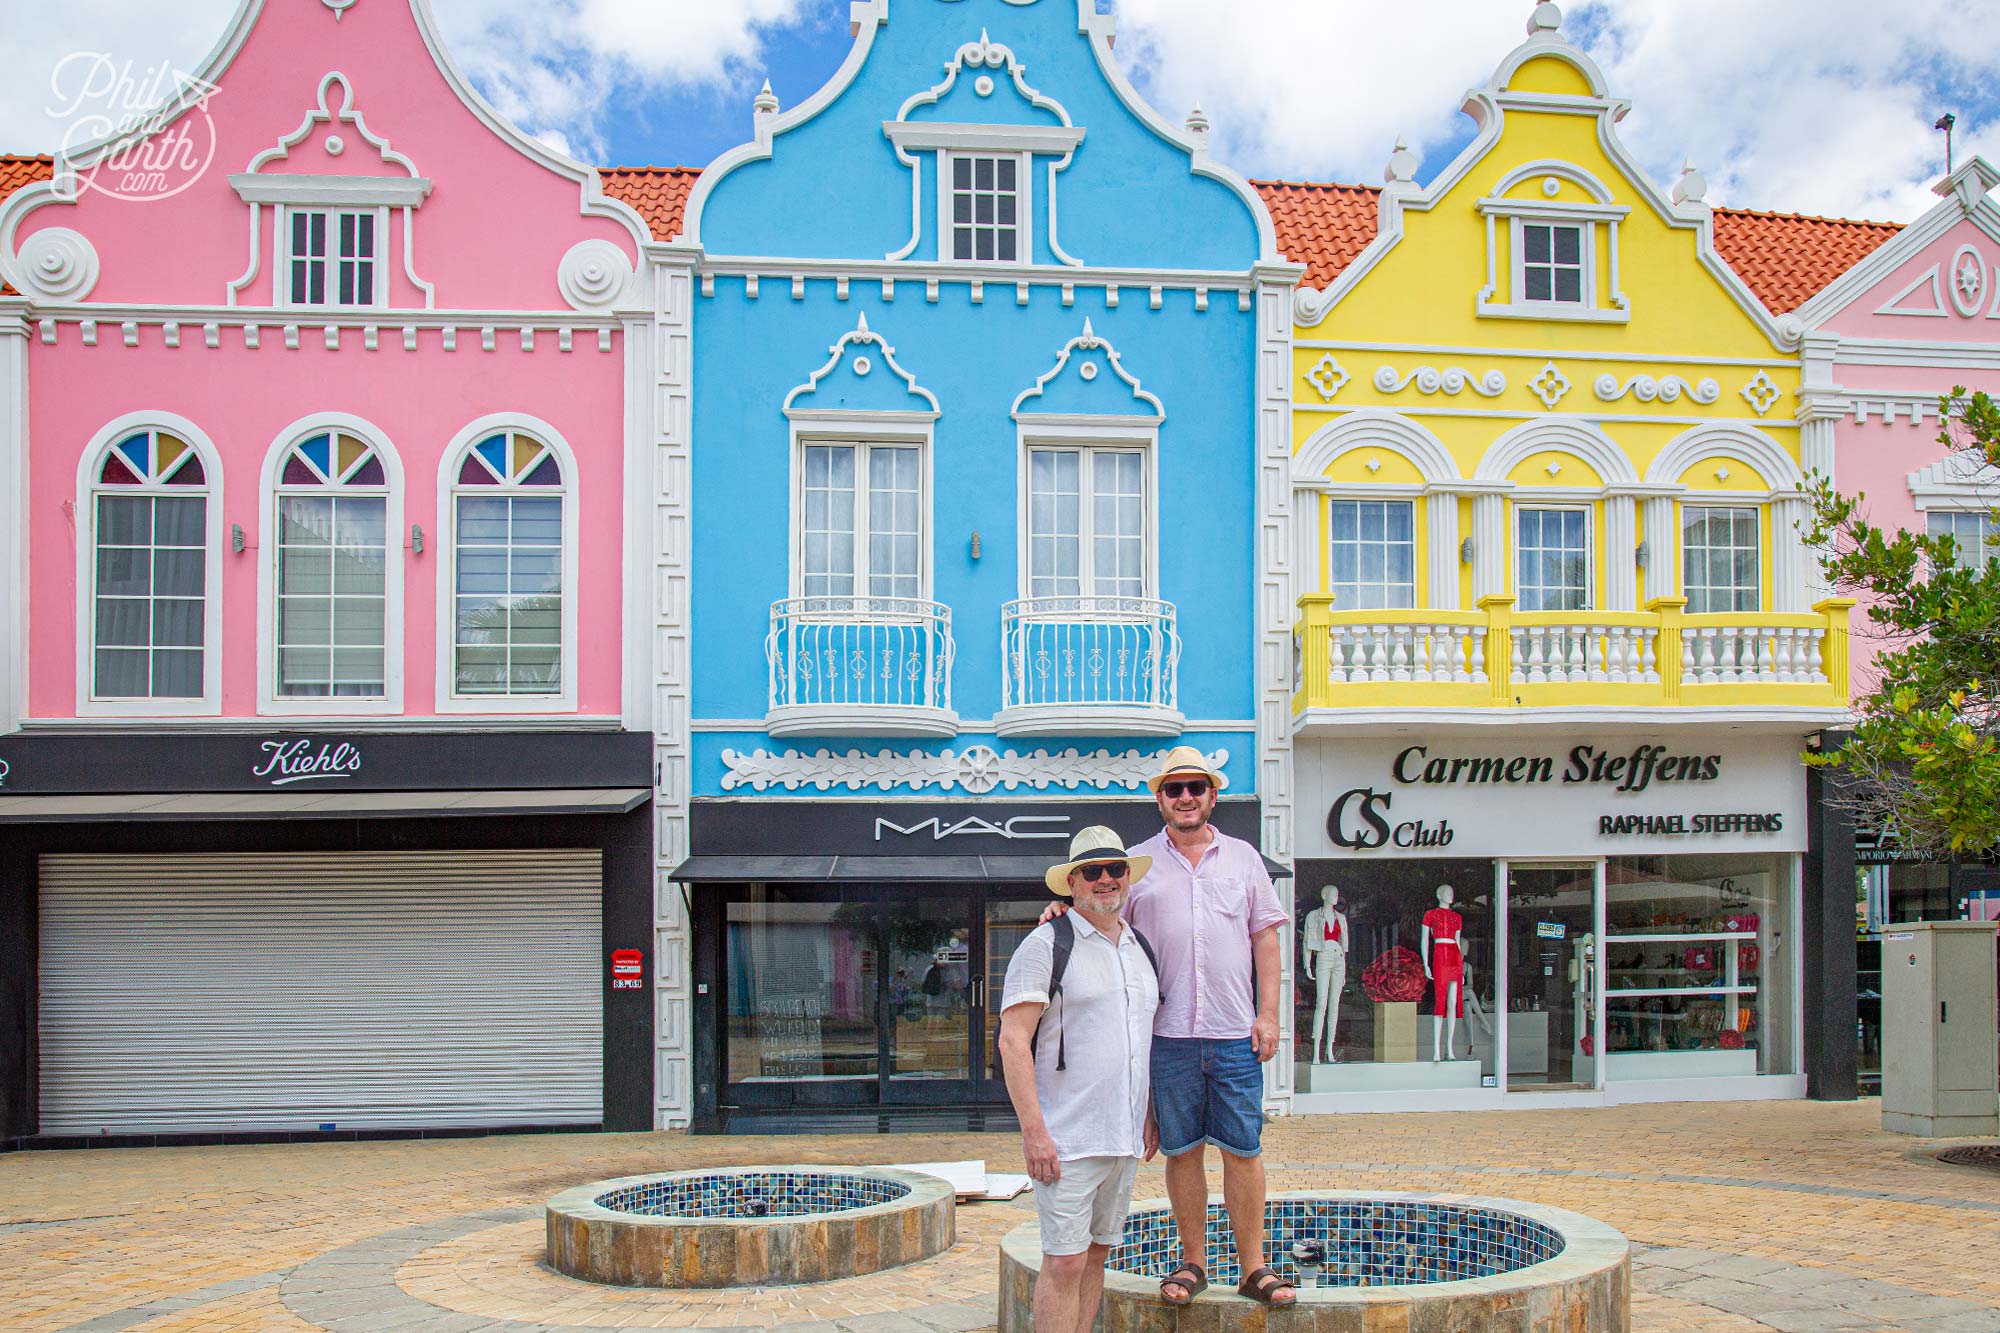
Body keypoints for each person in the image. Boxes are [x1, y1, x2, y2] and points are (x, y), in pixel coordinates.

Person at [1045, 747, 1292, 1306]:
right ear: (1160, 798)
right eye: (1174, 788)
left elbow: (1266, 939)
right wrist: (1060, 910)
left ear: (1212, 795)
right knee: (1182, 1151)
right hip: (1167, 1034)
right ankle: (1194, 1262)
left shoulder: (1245, 858)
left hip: (1234, 1032)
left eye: (1195, 787)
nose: (1185, 797)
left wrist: (1270, 1014)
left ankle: (1253, 1268)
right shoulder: (1134, 865)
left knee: (1244, 1150)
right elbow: (1099, 913)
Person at [998, 826, 1161, 1333]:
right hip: (1067, 1140)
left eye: (1116, 869)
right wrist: (1034, 1134)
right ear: (1073, 883)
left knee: (1096, 1257)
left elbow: (1140, 1041)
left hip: (1124, 1136)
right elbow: (1011, 1041)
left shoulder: (1139, 947)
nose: (1107, 879)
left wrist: (1149, 1113)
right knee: (1064, 1261)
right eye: (1093, 871)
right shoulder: (1045, 944)